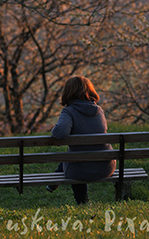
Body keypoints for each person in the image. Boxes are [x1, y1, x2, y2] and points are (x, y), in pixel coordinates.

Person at [47, 75, 116, 205]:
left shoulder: (69, 111)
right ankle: (53, 184)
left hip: (81, 169)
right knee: (72, 158)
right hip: (105, 166)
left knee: (71, 160)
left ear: (68, 92)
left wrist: (54, 129)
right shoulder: (99, 110)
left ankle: (82, 202)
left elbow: (60, 133)